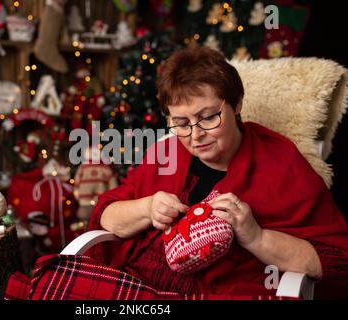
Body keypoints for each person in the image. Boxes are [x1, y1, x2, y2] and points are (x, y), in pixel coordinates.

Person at [88, 46, 348, 299]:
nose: (196, 134)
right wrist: (147, 208)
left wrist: (256, 237)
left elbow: (334, 260)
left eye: (209, 117)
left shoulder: (281, 162)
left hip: (224, 291)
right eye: (180, 123)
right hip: (141, 281)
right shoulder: (165, 153)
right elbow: (105, 216)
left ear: (236, 105)